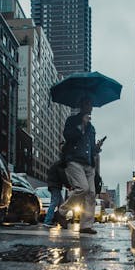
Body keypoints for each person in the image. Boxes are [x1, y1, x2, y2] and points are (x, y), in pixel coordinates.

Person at [54, 96, 105, 235]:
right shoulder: (72, 121)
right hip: (74, 160)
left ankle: (86, 225)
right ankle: (61, 212)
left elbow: (91, 149)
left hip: (89, 164)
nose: (91, 107)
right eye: (88, 104)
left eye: (91, 104)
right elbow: (68, 136)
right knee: (82, 188)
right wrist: (81, 126)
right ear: (82, 105)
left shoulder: (92, 127)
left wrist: (97, 148)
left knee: (91, 194)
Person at [43, 158, 67, 227]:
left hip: (54, 186)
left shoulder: (56, 165)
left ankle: (60, 220)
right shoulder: (60, 166)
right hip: (55, 186)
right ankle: (47, 221)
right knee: (54, 203)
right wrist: (68, 185)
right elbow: (62, 176)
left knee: (61, 204)